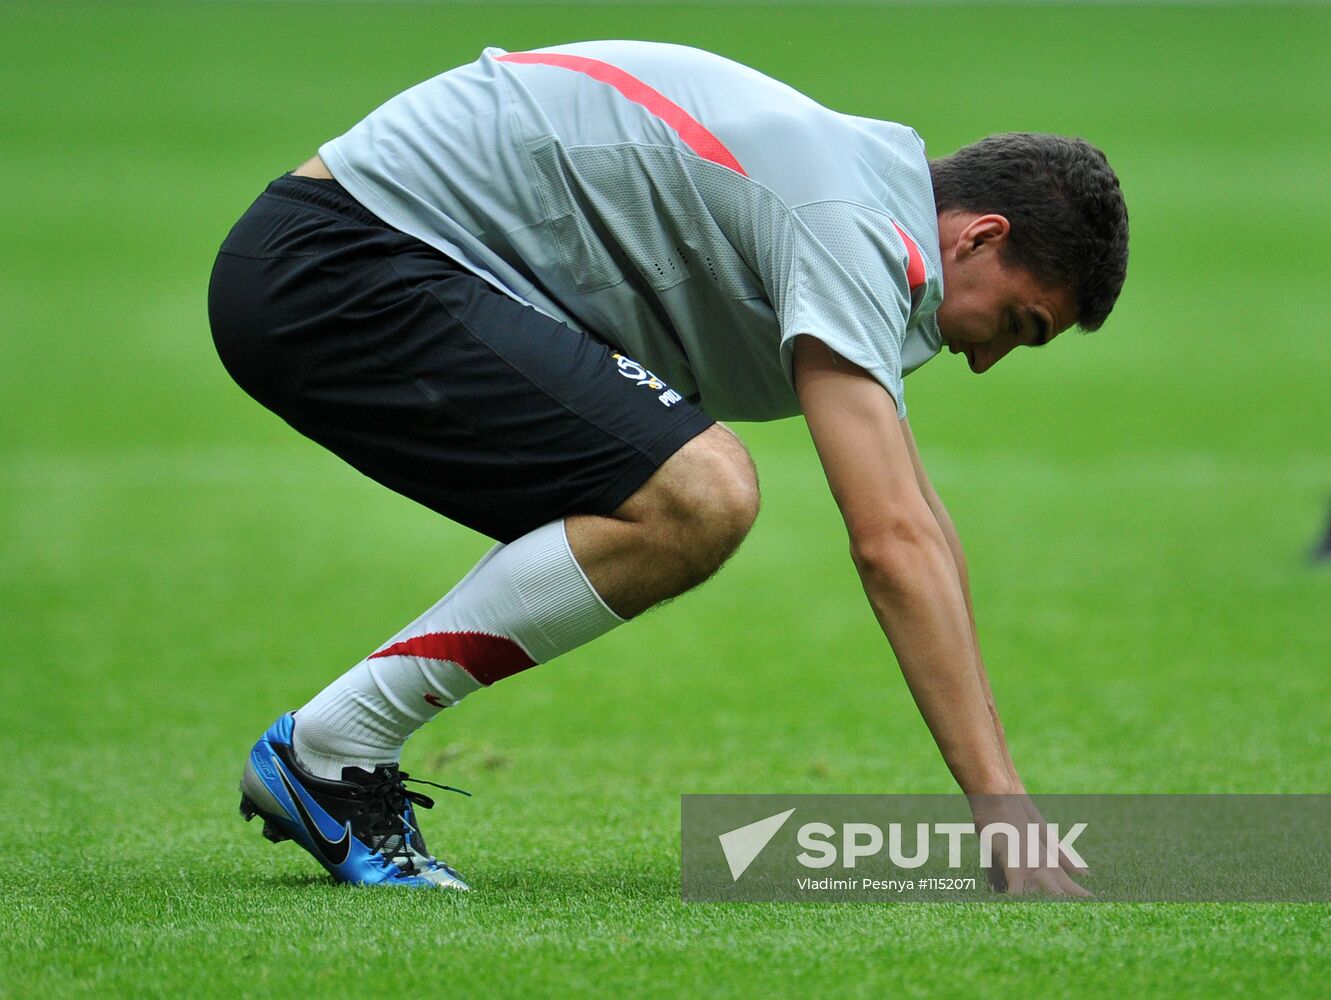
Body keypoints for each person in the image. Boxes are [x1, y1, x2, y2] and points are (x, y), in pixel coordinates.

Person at [208, 40, 1128, 894]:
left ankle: (330, 750)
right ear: (978, 235)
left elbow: (918, 522)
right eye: (1015, 323)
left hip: (346, 258)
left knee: (675, 492)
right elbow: (889, 542)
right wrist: (1000, 809)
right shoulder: (850, 223)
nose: (984, 359)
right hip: (339, 266)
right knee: (696, 495)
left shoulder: (863, 194)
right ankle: (330, 750)